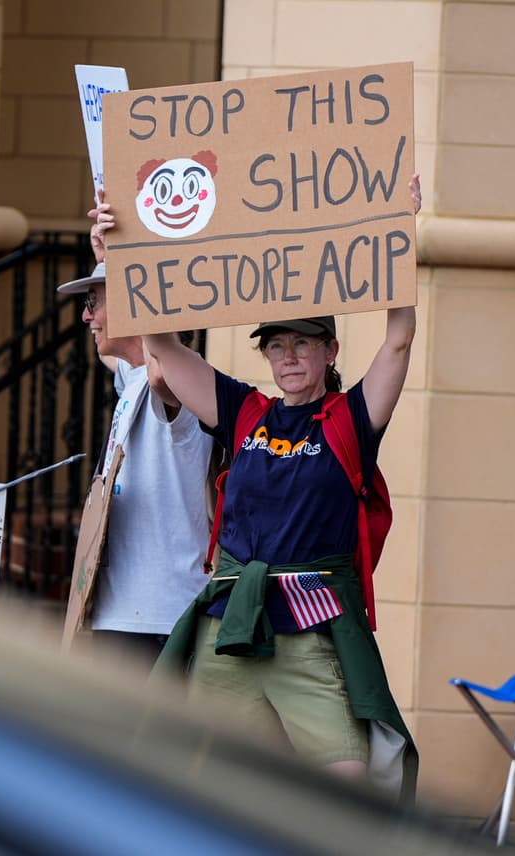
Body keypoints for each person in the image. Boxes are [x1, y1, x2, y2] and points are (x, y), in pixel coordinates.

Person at [88, 177, 422, 801]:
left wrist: (400, 234)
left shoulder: (349, 419)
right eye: (275, 345)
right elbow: (160, 344)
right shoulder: (246, 412)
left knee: (346, 791)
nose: (288, 357)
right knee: (206, 793)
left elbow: (399, 341)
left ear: (330, 349)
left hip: (311, 632)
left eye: (301, 343)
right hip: (229, 630)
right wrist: (116, 256)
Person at [56, 261, 213, 667]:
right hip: (126, 612)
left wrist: (138, 278)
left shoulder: (175, 379)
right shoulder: (135, 377)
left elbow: (161, 373)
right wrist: (107, 249)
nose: (86, 315)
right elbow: (132, 364)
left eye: (94, 302)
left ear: (133, 304)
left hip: (162, 619)